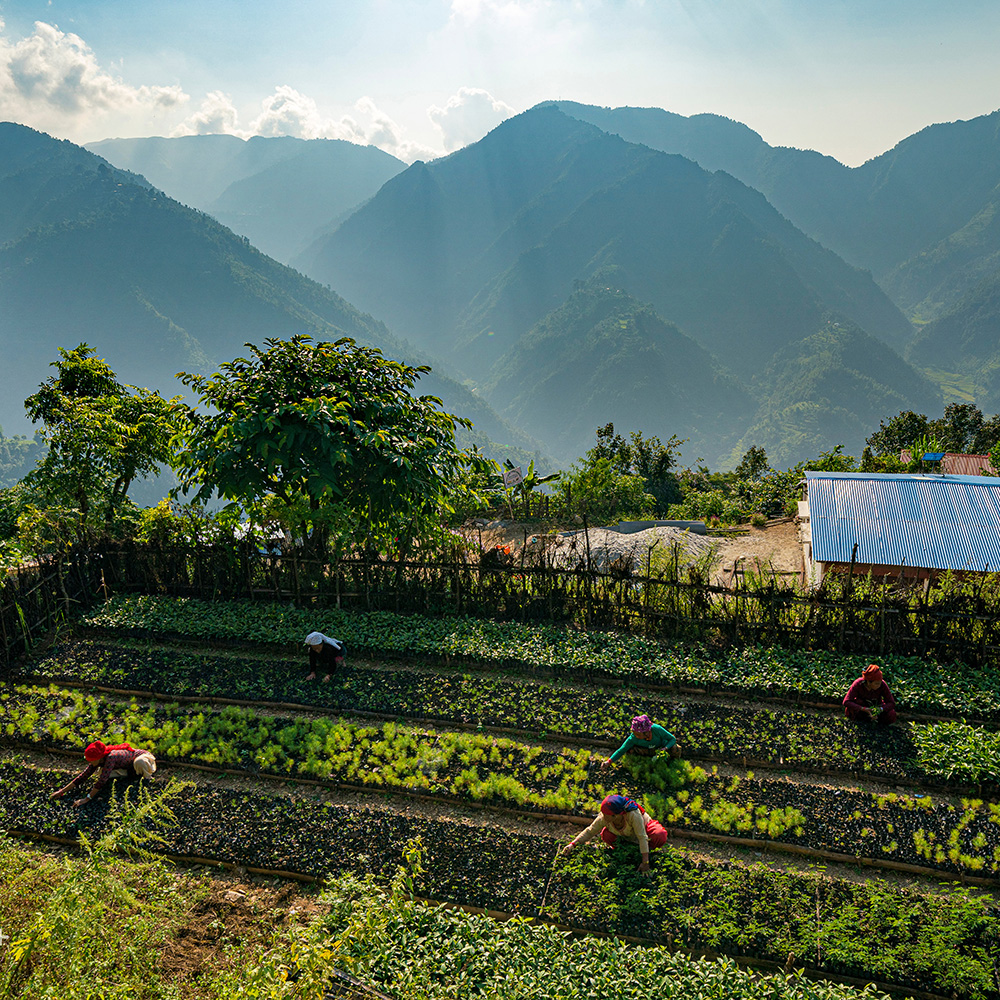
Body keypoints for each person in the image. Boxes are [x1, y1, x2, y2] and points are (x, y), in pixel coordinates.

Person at [561, 794, 668, 872]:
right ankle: (627, 852)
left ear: (616, 815)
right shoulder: (604, 818)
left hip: (643, 833)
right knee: (606, 835)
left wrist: (645, 863)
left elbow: (642, 837)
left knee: (659, 834)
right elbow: (590, 831)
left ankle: (649, 853)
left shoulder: (633, 815)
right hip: (625, 836)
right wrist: (572, 844)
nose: (603, 816)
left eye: (606, 814)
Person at [49, 740, 157, 808]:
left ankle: (147, 776)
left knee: (139, 762)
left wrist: (87, 799)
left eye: (91, 760)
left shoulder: (111, 757)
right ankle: (134, 775)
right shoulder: (98, 760)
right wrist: (61, 791)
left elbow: (101, 782)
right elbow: (84, 776)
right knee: (104, 774)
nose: (89, 763)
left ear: (98, 758)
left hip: (142, 758)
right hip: (127, 766)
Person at [601, 714, 676, 769]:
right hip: (645, 750)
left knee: (675, 748)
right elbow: (621, 750)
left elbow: (672, 739)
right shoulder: (633, 738)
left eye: (637, 734)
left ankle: (673, 764)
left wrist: (666, 748)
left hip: (659, 749)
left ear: (646, 732)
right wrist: (609, 761)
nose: (635, 735)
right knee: (629, 750)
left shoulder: (657, 729)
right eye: (634, 733)